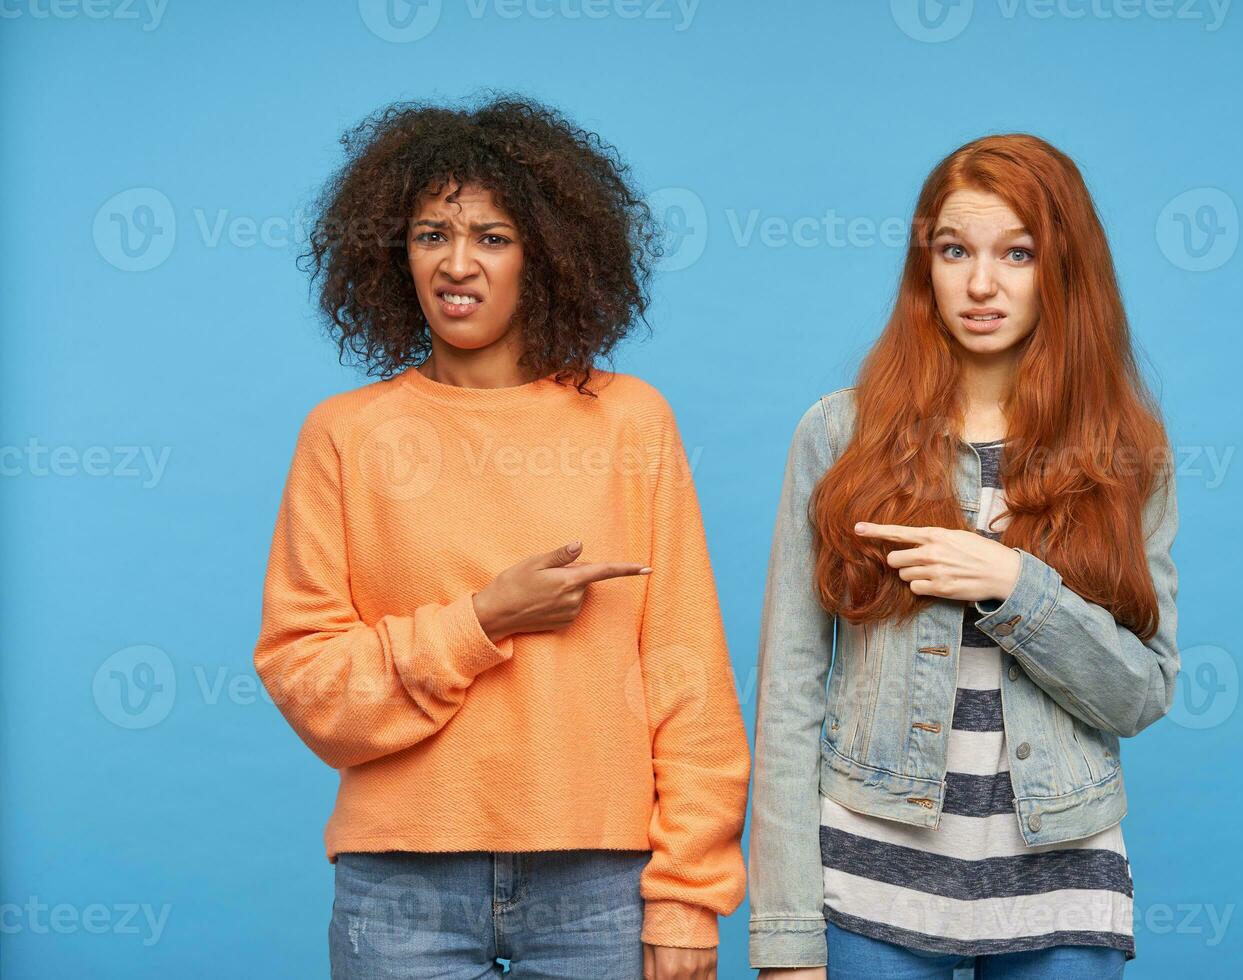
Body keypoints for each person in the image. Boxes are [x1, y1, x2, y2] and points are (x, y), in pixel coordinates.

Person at [252, 93, 748, 980]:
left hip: (602, 884)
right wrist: (482, 621)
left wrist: (688, 894)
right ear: (392, 256)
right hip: (400, 884)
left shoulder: (629, 421)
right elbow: (306, 676)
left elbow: (690, 675)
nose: (457, 263)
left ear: (547, 256)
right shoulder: (344, 434)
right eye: (430, 234)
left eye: (492, 236)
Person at [747, 133, 1181, 980]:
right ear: (927, 267)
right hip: (871, 877)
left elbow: (1142, 690)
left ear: (1063, 268)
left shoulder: (1128, 454)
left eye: (1017, 253)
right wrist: (788, 931)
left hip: (1062, 879)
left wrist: (1016, 586)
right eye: (956, 251)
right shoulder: (840, 435)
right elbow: (789, 694)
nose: (981, 284)